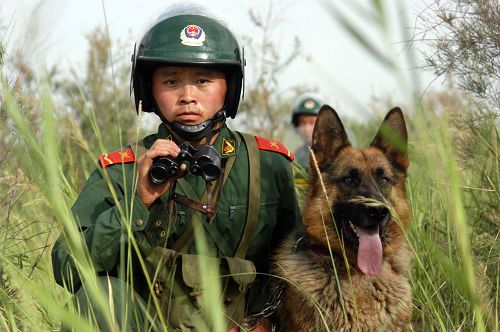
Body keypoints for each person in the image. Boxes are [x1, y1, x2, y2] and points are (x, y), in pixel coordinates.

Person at [51, 3, 299, 332]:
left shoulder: (268, 165)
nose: (187, 96)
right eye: (170, 82)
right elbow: (67, 267)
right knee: (103, 297)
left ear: (229, 89)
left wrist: (268, 318)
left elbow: (300, 264)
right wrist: (136, 204)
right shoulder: (121, 170)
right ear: (148, 90)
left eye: (203, 80)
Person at [290, 94, 323, 170]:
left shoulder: (333, 154)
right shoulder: (296, 154)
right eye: (303, 123)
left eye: (312, 122)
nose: (307, 128)